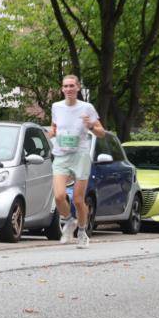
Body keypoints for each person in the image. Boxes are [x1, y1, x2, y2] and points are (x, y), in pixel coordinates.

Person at [49, 74, 105, 249]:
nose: (68, 89)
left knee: (78, 200)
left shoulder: (87, 108)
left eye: (72, 86)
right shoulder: (56, 107)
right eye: (65, 86)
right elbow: (54, 127)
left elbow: (101, 132)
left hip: (80, 155)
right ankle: (69, 221)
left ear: (78, 88)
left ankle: (82, 232)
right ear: (62, 89)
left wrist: (90, 126)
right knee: (58, 196)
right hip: (61, 154)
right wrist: (52, 132)